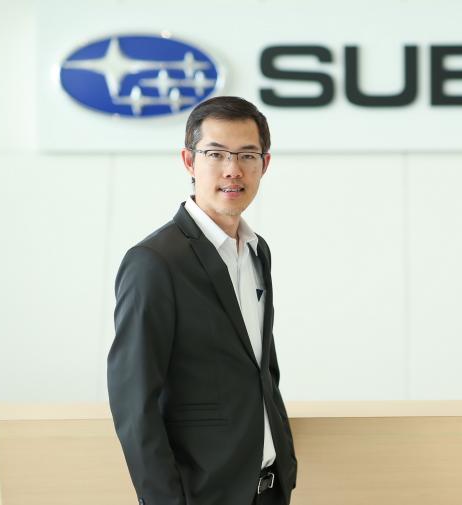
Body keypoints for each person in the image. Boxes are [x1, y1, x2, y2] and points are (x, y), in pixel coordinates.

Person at [107, 96, 297, 505]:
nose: (233, 169)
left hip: (268, 489)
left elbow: (261, 368)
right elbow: (133, 401)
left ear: (264, 164)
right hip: (201, 495)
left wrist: (285, 461)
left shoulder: (257, 251)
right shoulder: (155, 261)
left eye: (247, 155)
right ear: (189, 161)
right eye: (216, 153)